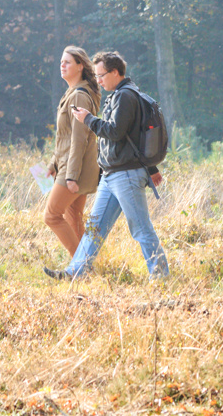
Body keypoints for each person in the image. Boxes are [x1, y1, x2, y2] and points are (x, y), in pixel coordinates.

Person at [44, 51, 169, 280]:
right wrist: (150, 168)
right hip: (112, 175)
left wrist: (88, 119)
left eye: (102, 75)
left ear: (115, 72)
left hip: (126, 176)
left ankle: (160, 276)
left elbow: (115, 132)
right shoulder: (120, 95)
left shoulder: (126, 97)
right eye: (97, 76)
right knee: (94, 229)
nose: (99, 80)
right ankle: (76, 272)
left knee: (141, 228)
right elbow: (133, 137)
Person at [43, 46, 102, 257]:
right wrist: (52, 164)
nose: (62, 65)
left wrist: (70, 176)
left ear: (80, 66)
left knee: (51, 216)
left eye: (67, 62)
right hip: (69, 166)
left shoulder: (79, 96)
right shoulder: (72, 93)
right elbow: (65, 138)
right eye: (61, 61)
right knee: (73, 217)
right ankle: (88, 265)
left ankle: (80, 266)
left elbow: (79, 139)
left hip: (73, 169)